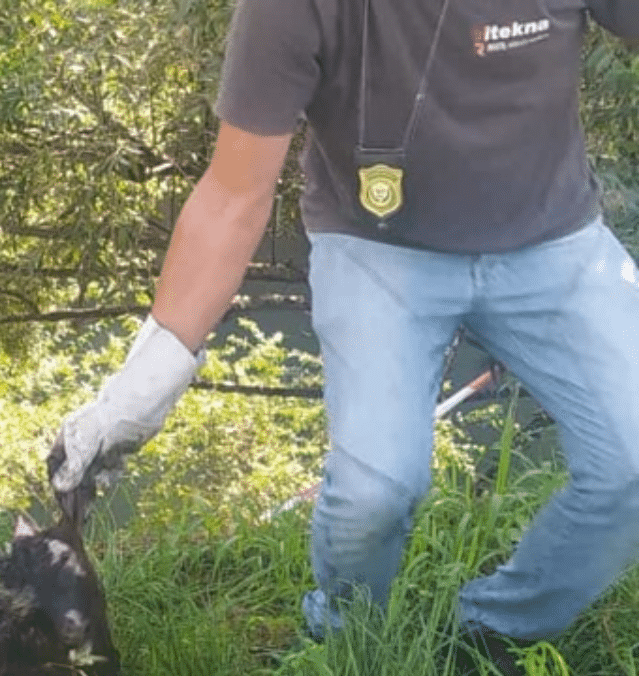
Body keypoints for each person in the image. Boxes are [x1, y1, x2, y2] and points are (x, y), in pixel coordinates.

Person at [45, 1, 639, 673]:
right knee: (372, 494)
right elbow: (233, 194)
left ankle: (494, 633)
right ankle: (349, 637)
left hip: (553, 242)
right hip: (376, 249)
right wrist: (140, 386)